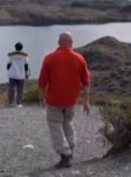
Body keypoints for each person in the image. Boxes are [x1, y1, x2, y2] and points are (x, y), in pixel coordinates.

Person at [38, 31, 91, 169]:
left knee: (55, 125)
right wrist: (86, 100)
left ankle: (65, 155)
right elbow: (86, 81)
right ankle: (70, 148)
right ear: (71, 43)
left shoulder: (50, 58)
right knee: (68, 123)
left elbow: (42, 81)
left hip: (54, 101)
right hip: (71, 100)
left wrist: (41, 97)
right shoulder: (79, 58)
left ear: (59, 43)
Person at [6, 42, 30, 107]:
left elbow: (8, 65)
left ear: (15, 47)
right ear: (22, 48)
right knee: (20, 89)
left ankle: (10, 103)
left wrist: (9, 70)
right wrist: (26, 73)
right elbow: (26, 65)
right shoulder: (25, 56)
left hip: (12, 74)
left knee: (11, 88)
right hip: (21, 75)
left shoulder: (11, 55)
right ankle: (18, 103)